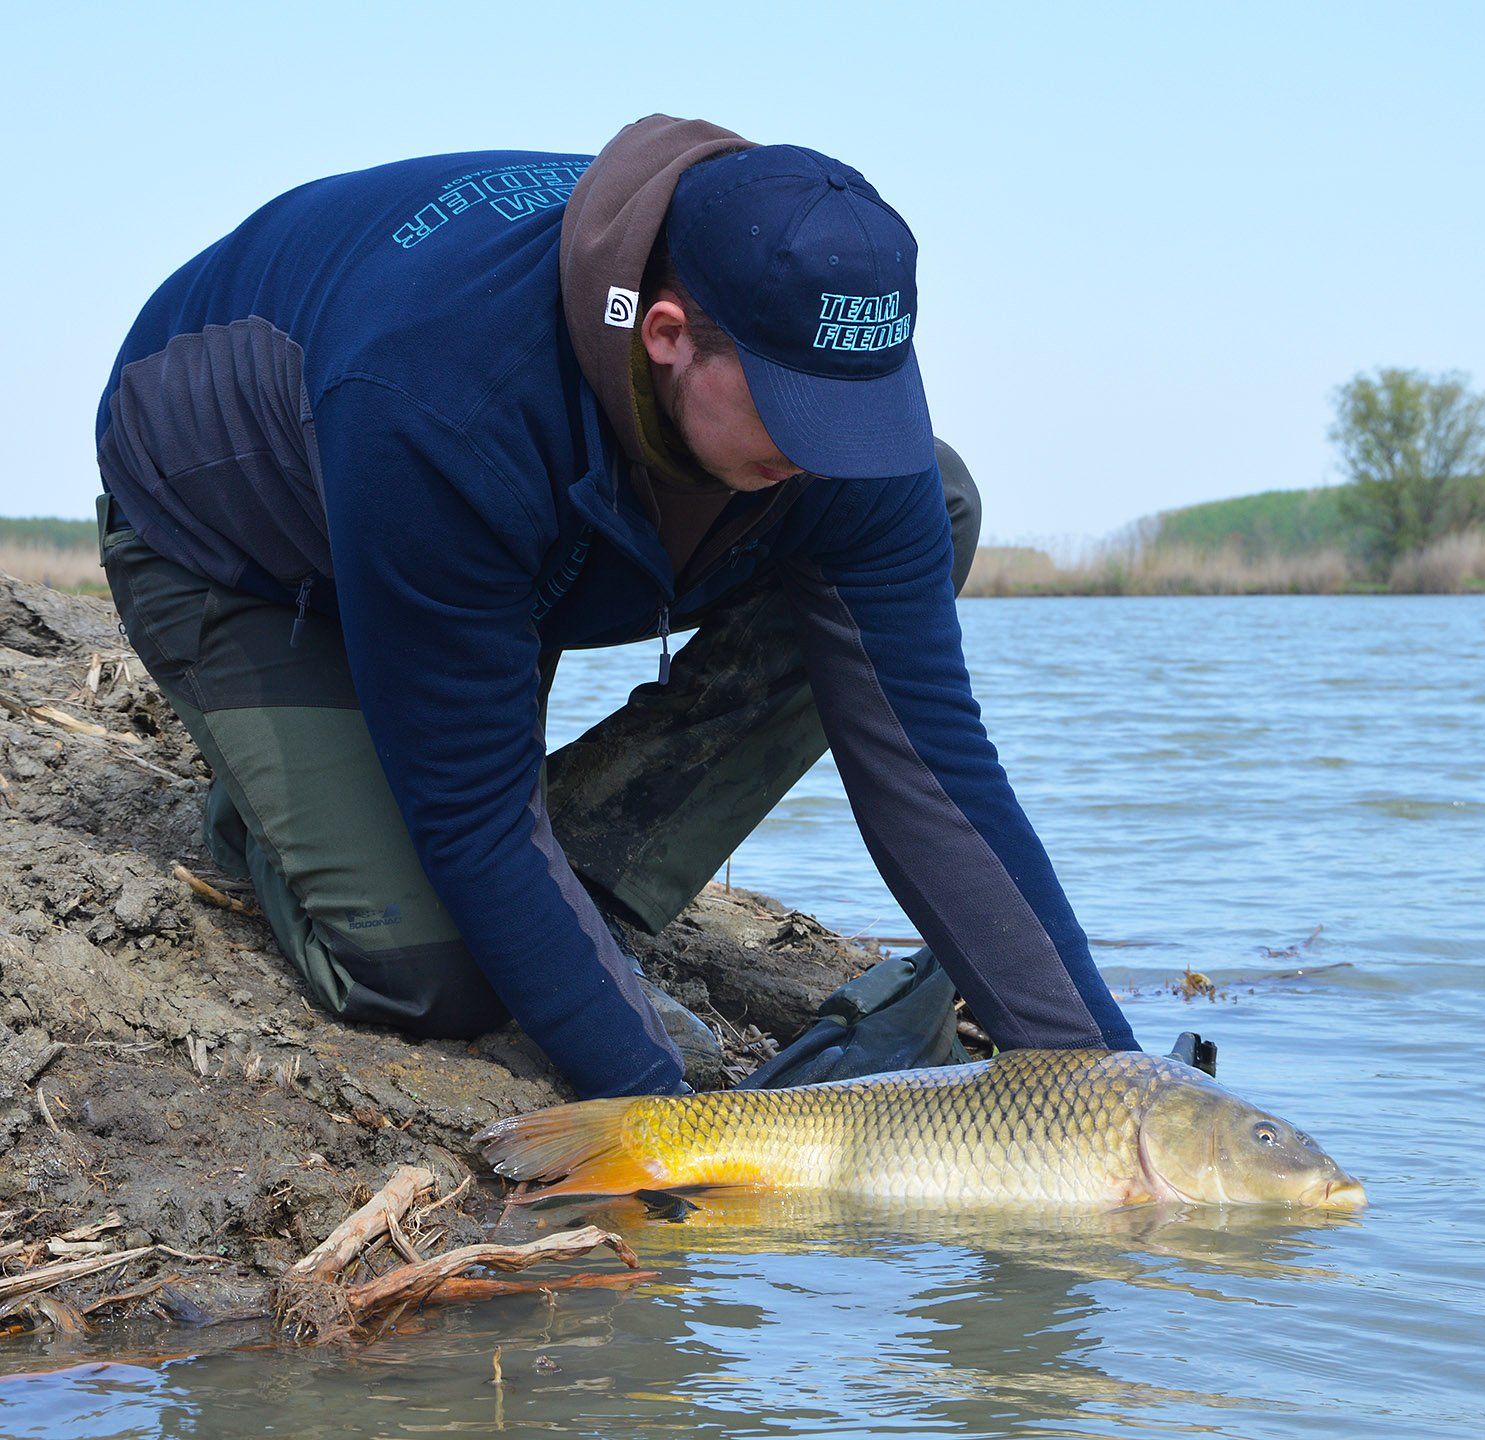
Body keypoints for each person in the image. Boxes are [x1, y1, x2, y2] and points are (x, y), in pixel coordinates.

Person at [94, 113, 1138, 1098]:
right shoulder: (442, 400)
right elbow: (473, 819)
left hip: (512, 543)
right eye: (795, 415)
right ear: (669, 333)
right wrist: (669, 1128)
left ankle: (579, 871)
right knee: (434, 978)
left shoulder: (797, 390)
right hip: (247, 546)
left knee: (926, 499)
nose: (826, 454)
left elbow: (933, 769)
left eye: (852, 410)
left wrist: (1114, 1091)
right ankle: (272, 817)